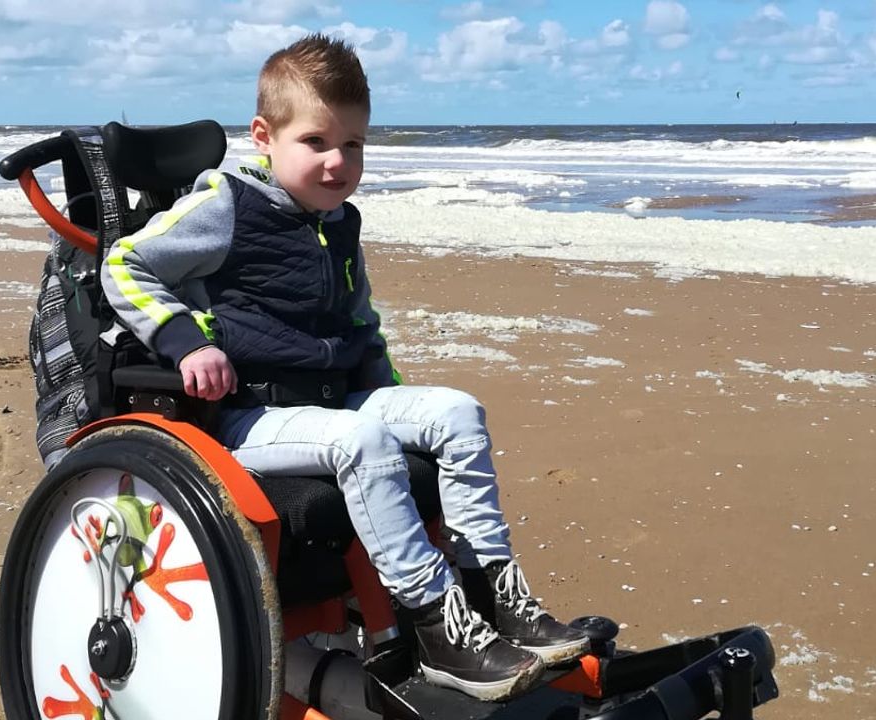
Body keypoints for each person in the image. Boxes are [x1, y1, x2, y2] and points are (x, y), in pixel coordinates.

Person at [101, 34, 588, 701]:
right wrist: (187, 343)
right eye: (317, 142)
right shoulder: (226, 205)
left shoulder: (339, 223)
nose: (338, 162)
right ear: (264, 138)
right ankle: (435, 627)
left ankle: (491, 596)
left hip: (331, 399)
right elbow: (124, 264)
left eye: (353, 144)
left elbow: (361, 326)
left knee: (456, 412)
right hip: (251, 415)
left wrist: (396, 403)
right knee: (364, 440)